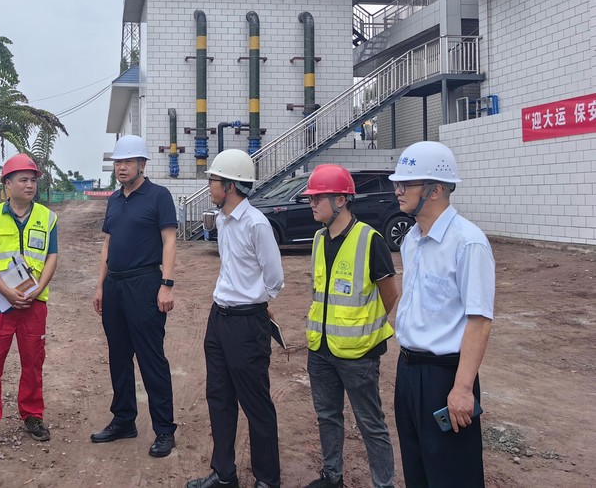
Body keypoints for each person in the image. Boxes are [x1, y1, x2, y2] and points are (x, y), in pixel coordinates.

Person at [389, 141, 495, 488]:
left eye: (406, 183)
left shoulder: (468, 242)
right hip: (408, 372)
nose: (397, 190)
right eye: (397, 183)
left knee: (452, 476)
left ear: (434, 190)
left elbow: (479, 321)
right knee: (417, 471)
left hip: (445, 378)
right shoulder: (411, 240)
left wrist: (462, 388)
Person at [186, 149, 284, 488]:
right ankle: (224, 474)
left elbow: (275, 278)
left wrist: (256, 302)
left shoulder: (256, 224)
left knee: (255, 403)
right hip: (219, 319)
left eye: (213, 180)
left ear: (229, 185)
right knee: (219, 397)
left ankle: (267, 479)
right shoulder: (223, 220)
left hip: (246, 323)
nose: (209, 186)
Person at [302, 164, 398, 488]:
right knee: (327, 417)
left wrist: (364, 329)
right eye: (311, 198)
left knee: (370, 423)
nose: (312, 203)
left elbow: (389, 294)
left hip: (358, 354)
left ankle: (383, 484)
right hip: (320, 348)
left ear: (341, 200)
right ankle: (332, 477)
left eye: (318, 198)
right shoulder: (318, 239)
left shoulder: (370, 240)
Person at [91, 135, 177, 459]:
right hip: (115, 285)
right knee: (118, 356)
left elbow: (169, 241)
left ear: (142, 164)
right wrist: (100, 285)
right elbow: (108, 244)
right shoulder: (114, 200)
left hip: (144, 284)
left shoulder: (159, 196)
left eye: (128, 161)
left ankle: (165, 430)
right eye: (118, 162)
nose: (122, 167)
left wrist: (166, 284)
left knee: (151, 358)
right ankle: (124, 420)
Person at [0, 154, 58, 448]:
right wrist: (6, 292)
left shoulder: (47, 217)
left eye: (33, 180)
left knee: (33, 362)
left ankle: (32, 415)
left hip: (34, 303)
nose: (30, 185)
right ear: (7, 184)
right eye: (23, 180)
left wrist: (38, 288)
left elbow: (52, 256)